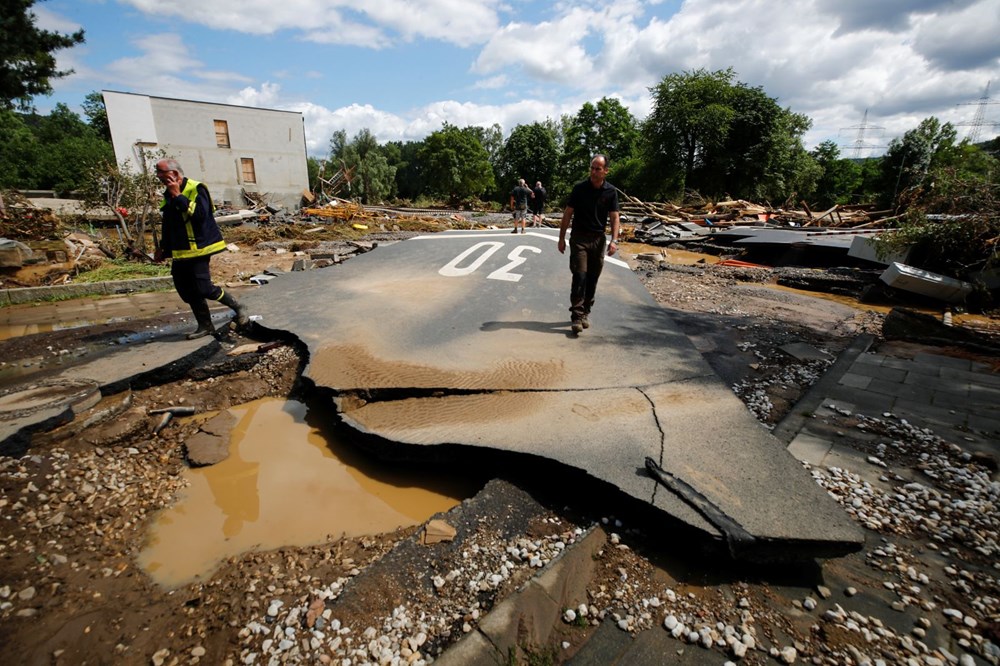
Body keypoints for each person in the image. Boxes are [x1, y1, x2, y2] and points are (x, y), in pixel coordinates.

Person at [153, 158, 249, 339]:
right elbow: (169, 224)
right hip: (181, 252)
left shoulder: (196, 189)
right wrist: (163, 248)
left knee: (204, 288)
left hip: (199, 249)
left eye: (161, 172)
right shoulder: (167, 194)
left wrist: (178, 196)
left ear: (174, 174)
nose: (158, 176)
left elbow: (200, 216)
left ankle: (238, 306)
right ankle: (205, 325)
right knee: (186, 290)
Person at [557, 154, 620, 334]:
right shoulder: (579, 189)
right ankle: (576, 316)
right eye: (592, 168)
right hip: (579, 238)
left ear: (606, 171)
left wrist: (614, 240)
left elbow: (614, 217)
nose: (593, 171)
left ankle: (585, 312)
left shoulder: (610, 192)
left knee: (592, 279)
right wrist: (561, 238)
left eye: (598, 169)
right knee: (580, 276)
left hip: (598, 240)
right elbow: (568, 214)